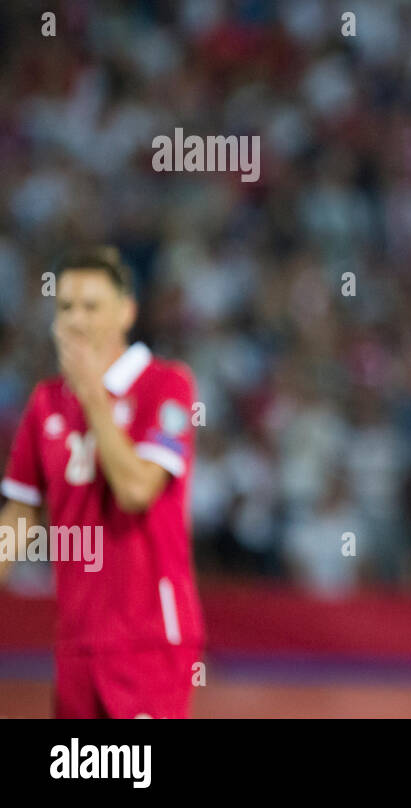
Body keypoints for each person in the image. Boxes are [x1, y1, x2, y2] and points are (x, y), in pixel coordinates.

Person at [0, 246, 205, 718]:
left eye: (91, 306)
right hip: (76, 642)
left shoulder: (167, 386)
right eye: (65, 307)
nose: (76, 320)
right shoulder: (46, 402)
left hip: (150, 641)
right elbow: (21, 514)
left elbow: (136, 490)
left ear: (126, 311)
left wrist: (93, 396)